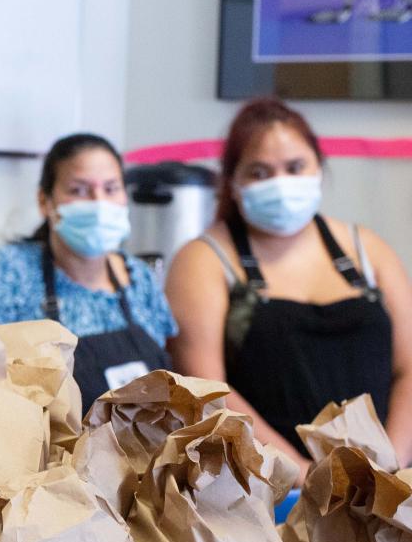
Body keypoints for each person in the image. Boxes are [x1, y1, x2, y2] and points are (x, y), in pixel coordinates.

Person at [164, 97, 412, 474]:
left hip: (388, 478)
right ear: (232, 183)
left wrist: (390, 465)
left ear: (319, 168)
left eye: (295, 167)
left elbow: (409, 366)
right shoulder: (204, 260)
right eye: (260, 173)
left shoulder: (366, 249)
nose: (281, 183)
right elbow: (207, 389)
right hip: (272, 486)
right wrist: (300, 472)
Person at [0, 133, 176, 404]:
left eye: (111, 188)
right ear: (45, 202)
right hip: (38, 444)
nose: (98, 203)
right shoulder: (5, 272)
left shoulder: (139, 278)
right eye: (79, 190)